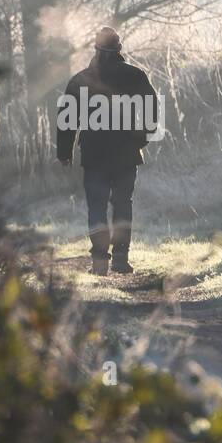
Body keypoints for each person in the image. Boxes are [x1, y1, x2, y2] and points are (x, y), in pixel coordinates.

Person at [56, 26, 159, 275]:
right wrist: (141, 139)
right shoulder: (135, 76)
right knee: (123, 204)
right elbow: (152, 111)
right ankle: (121, 259)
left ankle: (100, 262)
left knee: (97, 206)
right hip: (126, 153)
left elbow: (66, 118)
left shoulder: (80, 80)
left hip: (94, 154)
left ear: (95, 49)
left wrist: (64, 152)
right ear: (119, 49)